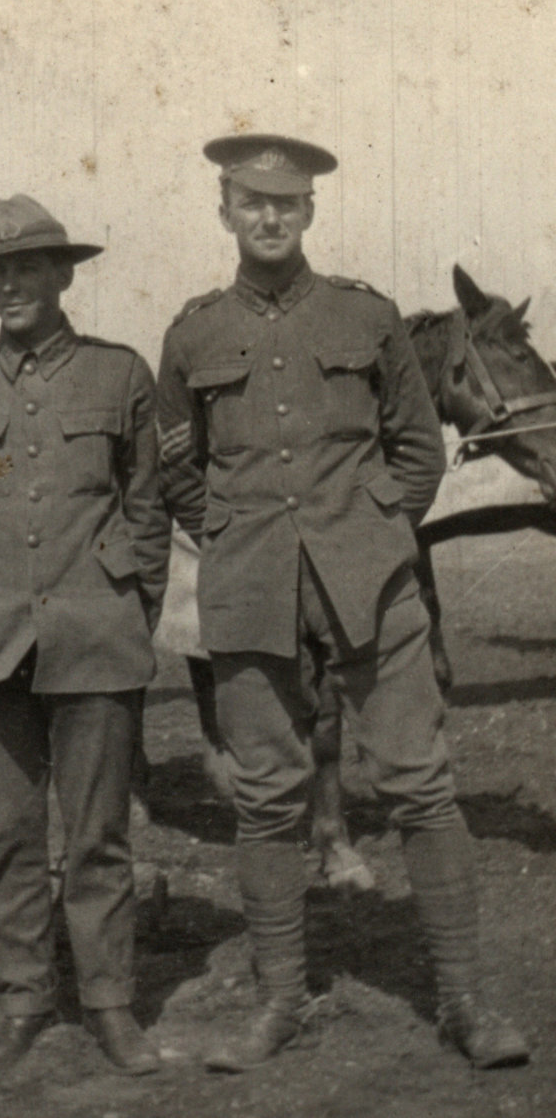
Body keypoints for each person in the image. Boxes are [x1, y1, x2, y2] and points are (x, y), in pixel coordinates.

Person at [156, 135, 529, 1073]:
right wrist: (235, 540)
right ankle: (280, 1002)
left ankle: (464, 1001)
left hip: (373, 588)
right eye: (251, 201)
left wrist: (375, 535)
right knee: (266, 801)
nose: (269, 217)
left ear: (310, 211)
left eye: (286, 202)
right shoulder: (192, 334)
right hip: (252, 594)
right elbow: (180, 471)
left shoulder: (366, 315)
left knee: (420, 783)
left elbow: (419, 450)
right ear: (224, 211)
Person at [0, 195, 170, 1079]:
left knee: (98, 836)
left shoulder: (119, 373)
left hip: (96, 633)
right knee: (7, 838)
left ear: (64, 274)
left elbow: (147, 513)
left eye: (29, 267)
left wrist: (125, 611)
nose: (12, 285)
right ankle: (24, 999)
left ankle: (110, 1002)